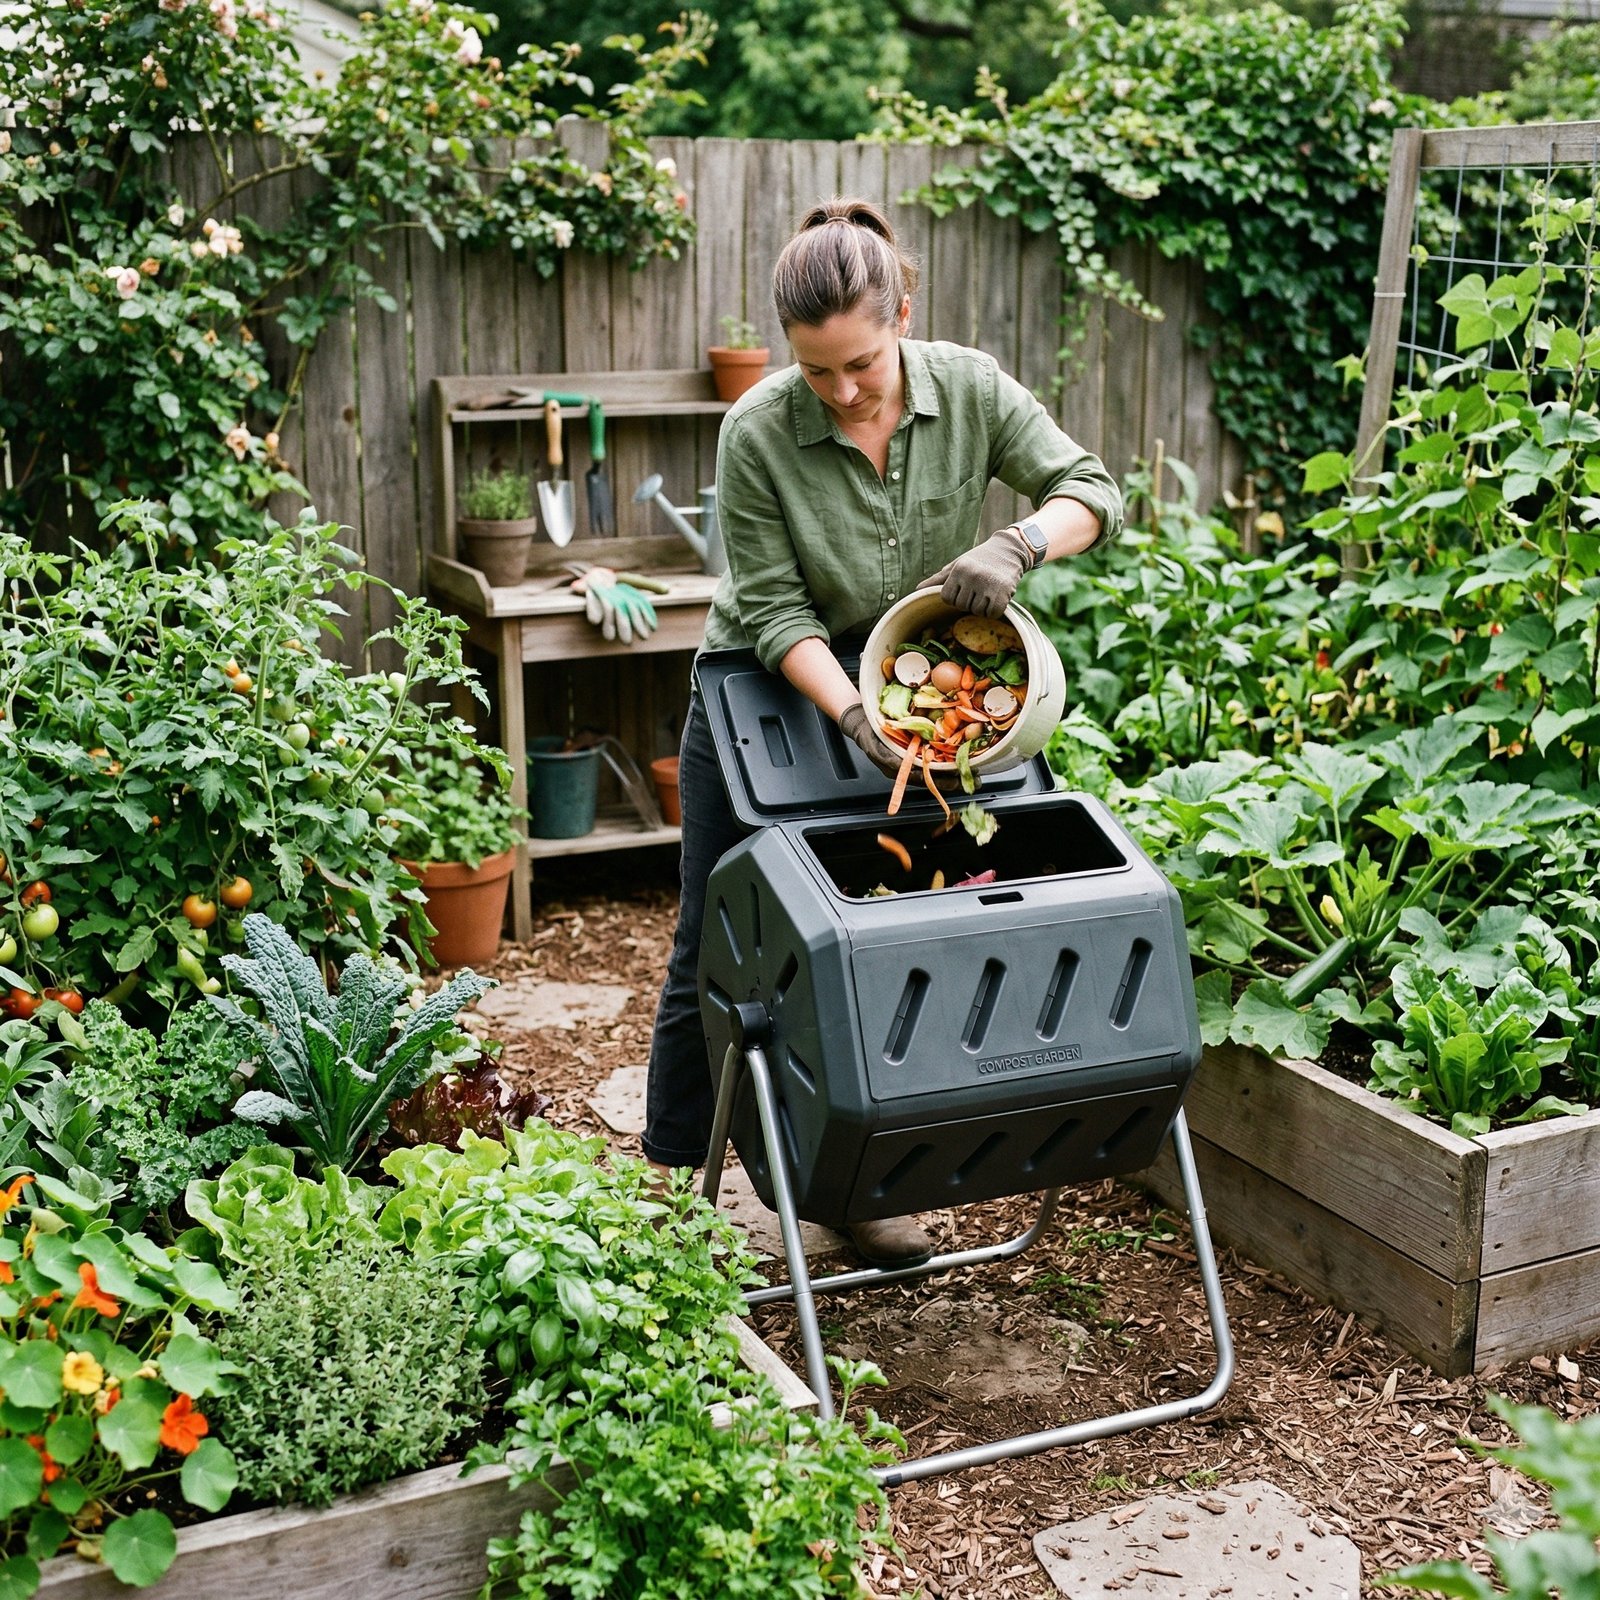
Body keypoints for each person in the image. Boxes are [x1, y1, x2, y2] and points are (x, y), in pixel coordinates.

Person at [642, 196, 1122, 1267]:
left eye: (860, 362)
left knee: (899, 926)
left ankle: (852, 1184)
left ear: (904, 311)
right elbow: (771, 611)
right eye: (817, 371)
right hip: (769, 687)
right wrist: (854, 712)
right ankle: (670, 1193)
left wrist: (1019, 543)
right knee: (724, 939)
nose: (843, 390)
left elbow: (1090, 488)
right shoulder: (759, 428)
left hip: (923, 667)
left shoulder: (971, 387)